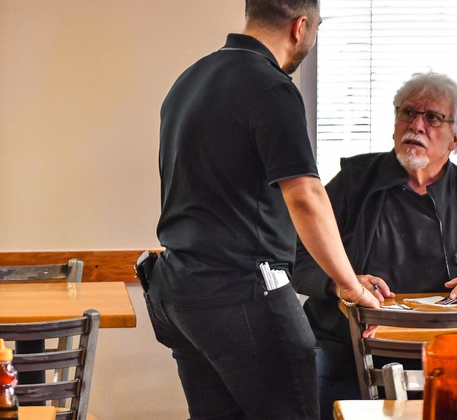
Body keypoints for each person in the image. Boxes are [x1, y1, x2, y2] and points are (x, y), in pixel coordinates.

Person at [145, 1, 381, 419]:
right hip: (241, 296)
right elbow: (305, 195)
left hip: (180, 294)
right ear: (300, 26)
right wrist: (351, 286)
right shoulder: (270, 87)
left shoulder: (189, 81)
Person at [291, 71, 457, 418]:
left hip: (453, 357)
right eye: (407, 113)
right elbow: (296, 256)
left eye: (432, 117)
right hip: (350, 349)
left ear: (455, 138)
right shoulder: (353, 183)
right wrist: (343, 282)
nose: (416, 125)